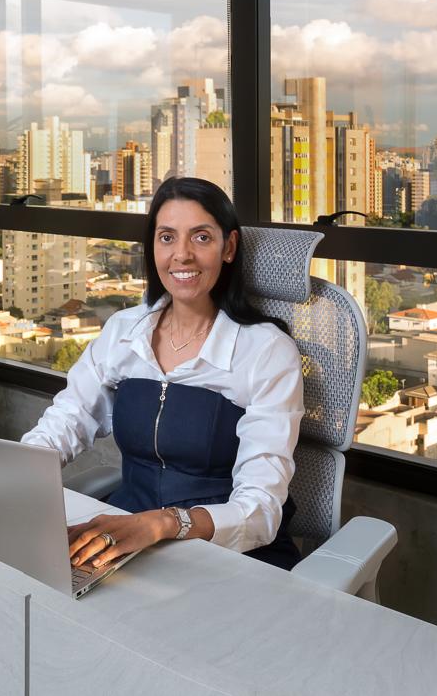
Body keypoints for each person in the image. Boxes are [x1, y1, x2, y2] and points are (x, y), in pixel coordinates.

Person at [22, 177, 305, 572]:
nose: (182, 255)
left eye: (202, 237)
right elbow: (68, 418)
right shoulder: (124, 330)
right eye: (167, 237)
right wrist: (15, 473)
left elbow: (259, 510)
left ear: (230, 247)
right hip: (125, 541)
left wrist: (163, 523)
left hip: (227, 555)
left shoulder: (266, 351)